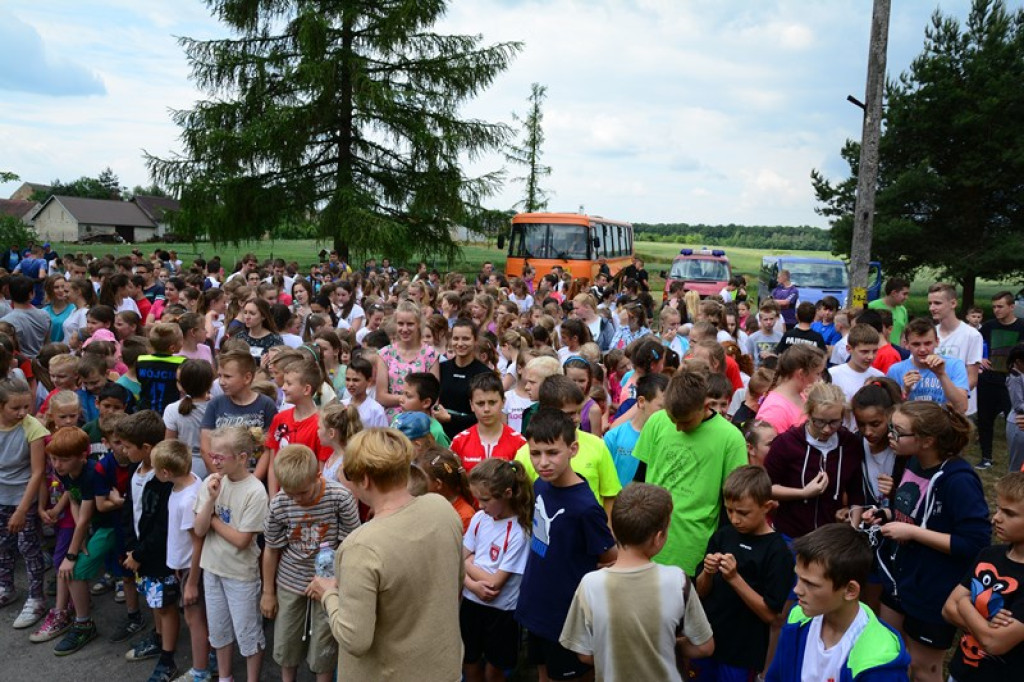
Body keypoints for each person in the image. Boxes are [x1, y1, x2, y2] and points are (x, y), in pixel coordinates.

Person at [306, 428, 465, 682]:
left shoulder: (361, 546)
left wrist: (328, 594)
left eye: (347, 473)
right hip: (445, 667)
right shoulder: (443, 509)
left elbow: (354, 639)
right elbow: (454, 583)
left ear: (365, 479)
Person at [874, 401, 990, 682]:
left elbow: (975, 543)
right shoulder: (914, 461)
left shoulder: (958, 480)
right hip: (900, 580)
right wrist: (885, 514)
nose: (890, 435)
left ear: (927, 440)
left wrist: (913, 534)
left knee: (923, 669)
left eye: (898, 431)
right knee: (890, 655)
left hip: (933, 590)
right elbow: (913, 510)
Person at [561, 482, 714, 682]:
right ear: (659, 537)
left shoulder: (590, 584)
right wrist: (664, 643)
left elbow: (584, 654)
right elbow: (705, 646)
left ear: (613, 530)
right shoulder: (677, 581)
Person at [515, 409, 617, 682]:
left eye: (552, 452)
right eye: (535, 454)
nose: (543, 462)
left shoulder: (585, 508)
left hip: (567, 617)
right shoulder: (540, 485)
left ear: (573, 449)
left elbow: (610, 557)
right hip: (537, 606)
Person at [633, 370, 748, 577]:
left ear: (705, 407)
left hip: (693, 552)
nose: (677, 428)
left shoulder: (731, 438)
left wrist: (717, 553)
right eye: (672, 419)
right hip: (646, 545)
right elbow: (639, 478)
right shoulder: (657, 421)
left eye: (685, 422)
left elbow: (731, 501)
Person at [262, 444, 360, 682]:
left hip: (329, 583)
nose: (297, 499)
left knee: (324, 647)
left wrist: (336, 582)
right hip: (290, 581)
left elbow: (352, 546)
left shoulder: (340, 498)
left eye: (303, 493)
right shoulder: (279, 504)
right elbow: (271, 549)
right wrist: (268, 591)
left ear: (318, 475)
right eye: (290, 493)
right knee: (286, 643)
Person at [765, 523, 910, 682]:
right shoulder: (797, 619)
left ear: (850, 591)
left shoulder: (879, 659)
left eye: (810, 584)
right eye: (798, 578)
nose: (797, 590)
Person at [694, 467, 794, 680]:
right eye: (729, 510)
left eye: (743, 513)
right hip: (707, 643)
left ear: (766, 507)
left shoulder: (778, 551)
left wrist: (734, 578)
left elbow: (771, 615)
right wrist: (708, 573)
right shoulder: (723, 536)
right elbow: (701, 592)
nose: (735, 519)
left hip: (742, 653)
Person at [193, 425, 269, 682]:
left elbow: (241, 540)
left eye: (220, 457)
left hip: (240, 575)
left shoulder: (255, 491)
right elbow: (199, 529)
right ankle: (225, 677)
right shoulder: (211, 483)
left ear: (242, 457)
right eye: (212, 456)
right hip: (212, 569)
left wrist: (214, 518)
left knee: (248, 633)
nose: (213, 462)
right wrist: (210, 502)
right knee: (219, 631)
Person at [942, 472, 1024, 681]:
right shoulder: (990, 555)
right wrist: (987, 621)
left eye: (1009, 513)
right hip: (961, 672)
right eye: (998, 508)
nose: (996, 517)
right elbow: (947, 609)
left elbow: (994, 643)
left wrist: (965, 604)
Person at [461, 458, 534, 682]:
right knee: (469, 660)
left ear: (508, 493)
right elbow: (459, 559)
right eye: (477, 498)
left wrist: (467, 564)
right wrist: (471, 583)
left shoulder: (519, 532)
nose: (480, 505)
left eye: (485, 499)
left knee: (496, 666)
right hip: (471, 603)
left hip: (502, 613)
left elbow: (495, 583)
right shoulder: (479, 519)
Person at [764, 383, 865, 540]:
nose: (826, 429)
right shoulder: (786, 443)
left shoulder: (850, 444)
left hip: (831, 539)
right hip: (791, 535)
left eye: (834, 422)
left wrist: (851, 529)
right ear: (808, 414)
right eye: (819, 421)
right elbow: (765, 488)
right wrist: (802, 493)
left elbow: (856, 494)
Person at [514, 375, 622, 517]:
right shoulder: (525, 454)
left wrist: (609, 533)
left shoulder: (597, 445)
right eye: (569, 414)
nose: (577, 419)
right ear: (547, 412)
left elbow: (610, 495)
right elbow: (522, 503)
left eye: (578, 412)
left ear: (573, 449)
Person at [151, 438, 210, 682]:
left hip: (191, 568)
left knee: (193, 619)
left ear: (165, 472)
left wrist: (192, 581)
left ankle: (200, 671)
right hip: (183, 566)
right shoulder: (191, 482)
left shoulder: (187, 500)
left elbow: (197, 542)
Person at [123, 429, 177, 682]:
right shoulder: (138, 472)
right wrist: (132, 547)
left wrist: (140, 552)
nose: (123, 451)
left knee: (165, 606)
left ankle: (168, 660)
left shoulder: (163, 482)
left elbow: (161, 527)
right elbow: (133, 513)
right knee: (154, 601)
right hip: (141, 553)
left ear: (146, 448)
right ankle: (158, 638)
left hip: (157, 557)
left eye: (126, 445)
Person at [0, 378, 47, 630]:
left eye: (26, 407)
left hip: (23, 497)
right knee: (3, 546)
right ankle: (6, 586)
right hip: (1, 496)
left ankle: (36, 598)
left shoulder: (33, 428)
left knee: (28, 548)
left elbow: (37, 472)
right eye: (15, 408)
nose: (22, 413)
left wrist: (22, 508)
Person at [200, 350, 278, 482]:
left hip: (254, 480)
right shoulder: (215, 404)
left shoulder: (266, 405)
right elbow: (205, 446)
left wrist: (253, 480)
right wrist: (221, 479)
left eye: (228, 376)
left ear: (247, 378)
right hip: (223, 480)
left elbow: (268, 449)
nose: (221, 382)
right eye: (220, 376)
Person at [264, 359, 333, 497]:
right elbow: (272, 464)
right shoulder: (279, 418)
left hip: (307, 499)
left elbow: (321, 470)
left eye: (289, 383)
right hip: (281, 499)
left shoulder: (321, 425)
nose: (283, 387)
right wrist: (273, 499)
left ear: (306, 389)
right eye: (284, 382)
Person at [976, 290, 1024, 469]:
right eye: (994, 306)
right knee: (984, 419)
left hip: (1012, 382)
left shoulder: (1021, 327)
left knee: (1015, 422)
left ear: (1012, 307)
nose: (996, 310)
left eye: (1000, 306)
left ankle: (1017, 460)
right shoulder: (988, 326)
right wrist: (979, 358)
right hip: (989, 379)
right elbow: (976, 346)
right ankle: (986, 457)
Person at [886, 317, 969, 412]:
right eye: (916, 344)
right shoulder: (895, 370)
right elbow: (889, 412)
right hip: (911, 425)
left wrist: (941, 374)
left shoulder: (954, 365)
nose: (922, 349)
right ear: (906, 345)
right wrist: (905, 390)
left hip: (944, 425)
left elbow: (962, 407)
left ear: (937, 342)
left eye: (928, 343)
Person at [376, 301, 439, 421]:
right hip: (392, 421)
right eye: (400, 324)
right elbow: (381, 396)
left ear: (418, 324)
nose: (404, 329)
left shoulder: (430, 355)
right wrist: (409, 399)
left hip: (420, 420)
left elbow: (434, 395)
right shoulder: (385, 354)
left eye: (410, 324)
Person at [451, 372, 527, 472]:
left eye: (492, 402)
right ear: (471, 405)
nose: (486, 409)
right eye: (480, 403)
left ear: (503, 402)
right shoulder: (459, 442)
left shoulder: (519, 443)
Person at [930, 282, 984, 419]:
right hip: (933, 407)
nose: (932, 308)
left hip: (961, 409)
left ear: (953, 303)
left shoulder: (972, 335)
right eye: (930, 304)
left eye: (937, 303)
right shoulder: (931, 334)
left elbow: (972, 378)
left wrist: (954, 398)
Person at [604, 373, 668, 486]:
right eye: (662, 407)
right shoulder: (614, 437)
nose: (667, 414)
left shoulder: (670, 437)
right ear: (641, 402)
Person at [438, 319, 492, 440]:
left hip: (472, 437)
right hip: (442, 436)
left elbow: (486, 413)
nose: (460, 343)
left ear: (475, 341)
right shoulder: (441, 368)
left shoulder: (485, 374)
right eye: (456, 338)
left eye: (466, 339)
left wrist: (451, 418)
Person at [756, 345, 826, 434]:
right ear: (801, 374)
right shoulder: (775, 410)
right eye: (818, 373)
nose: (820, 379)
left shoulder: (803, 394)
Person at [829, 324, 884, 424]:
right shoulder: (833, 375)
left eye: (875, 351)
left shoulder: (880, 376)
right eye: (864, 352)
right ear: (849, 349)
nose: (871, 357)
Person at [137, 322, 187, 414]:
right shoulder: (182, 363)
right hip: (169, 411)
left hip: (144, 410)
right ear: (172, 348)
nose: (183, 342)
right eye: (181, 339)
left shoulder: (141, 360)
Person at [1, 275, 51, 358]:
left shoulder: (5, 322)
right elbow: (47, 341)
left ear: (9, 293)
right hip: (41, 362)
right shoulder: (45, 315)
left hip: (21, 364)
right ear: (31, 294)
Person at [400, 371, 451, 446]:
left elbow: (444, 456)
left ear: (426, 403)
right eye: (402, 393)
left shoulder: (436, 432)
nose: (401, 399)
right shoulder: (397, 419)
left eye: (408, 396)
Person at [342, 355, 388, 428]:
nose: (350, 384)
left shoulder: (376, 410)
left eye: (356, 380)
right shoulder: (341, 406)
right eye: (347, 379)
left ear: (368, 381)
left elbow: (382, 437)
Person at [868, 277, 911, 345]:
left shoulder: (903, 310)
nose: (906, 297)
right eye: (904, 294)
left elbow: (903, 334)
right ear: (894, 293)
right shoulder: (871, 306)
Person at [746, 301, 784, 369]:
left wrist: (772, 355)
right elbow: (749, 359)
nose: (769, 322)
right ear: (760, 320)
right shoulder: (752, 338)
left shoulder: (781, 337)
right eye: (765, 319)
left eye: (771, 319)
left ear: (776, 319)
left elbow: (784, 358)